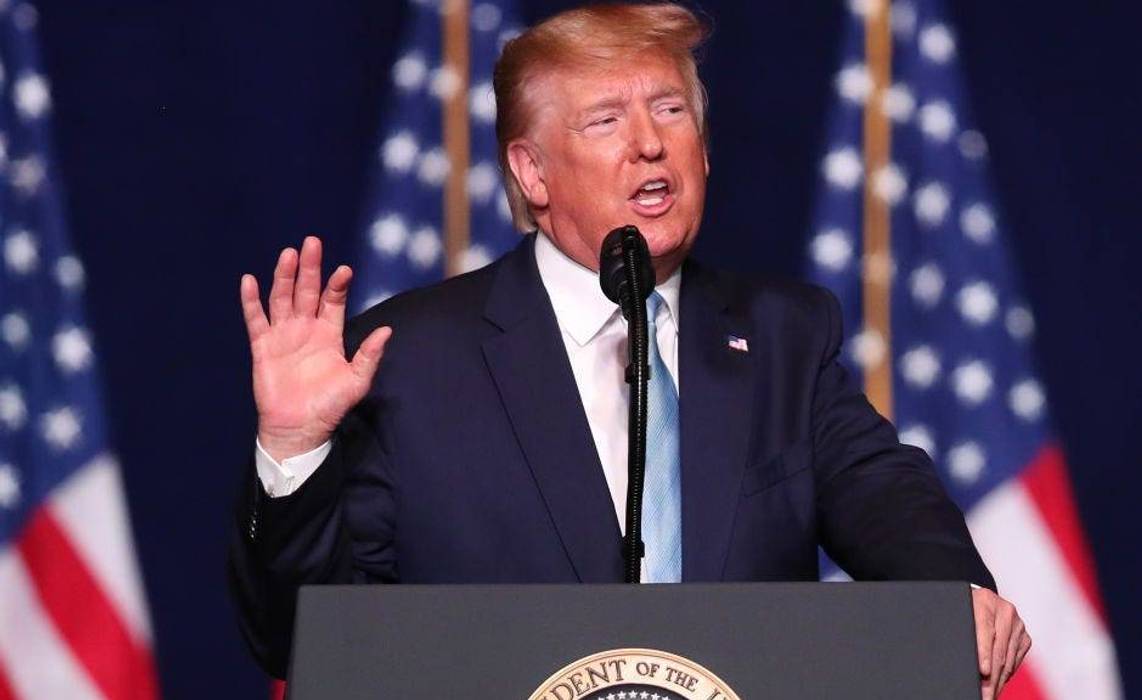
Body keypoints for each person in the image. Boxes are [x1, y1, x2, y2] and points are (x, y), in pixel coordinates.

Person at [228, 4, 1030, 698]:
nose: (649, 144)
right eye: (606, 120)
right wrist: (294, 452)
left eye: (671, 111)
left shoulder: (783, 332)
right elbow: (305, 634)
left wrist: (949, 591)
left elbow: (884, 492)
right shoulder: (410, 358)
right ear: (530, 171)